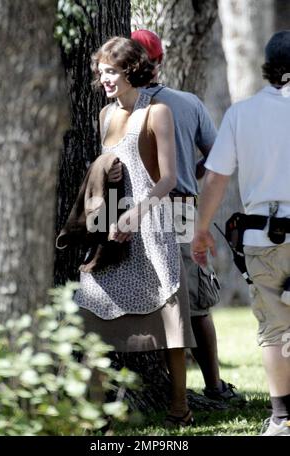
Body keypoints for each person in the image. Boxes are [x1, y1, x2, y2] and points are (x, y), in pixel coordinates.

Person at [66, 36, 196, 427]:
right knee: (89, 311)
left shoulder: (157, 112)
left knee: (170, 316)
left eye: (113, 71)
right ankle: (96, 417)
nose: (105, 79)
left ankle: (180, 409)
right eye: (102, 72)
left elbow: (169, 177)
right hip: (111, 231)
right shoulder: (105, 115)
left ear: (132, 70)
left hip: (153, 225)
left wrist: (136, 215)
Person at [131, 29, 243, 402]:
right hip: (178, 207)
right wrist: (189, 173)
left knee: (152, 301)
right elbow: (218, 152)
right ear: (160, 61)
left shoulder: (120, 104)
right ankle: (213, 387)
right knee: (193, 305)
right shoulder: (187, 103)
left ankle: (169, 386)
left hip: (127, 213)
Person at [191, 30, 290, 436]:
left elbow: (215, 179)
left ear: (268, 68)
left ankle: (282, 418)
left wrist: (200, 230)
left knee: (274, 328)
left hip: (263, 237)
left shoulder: (241, 114)